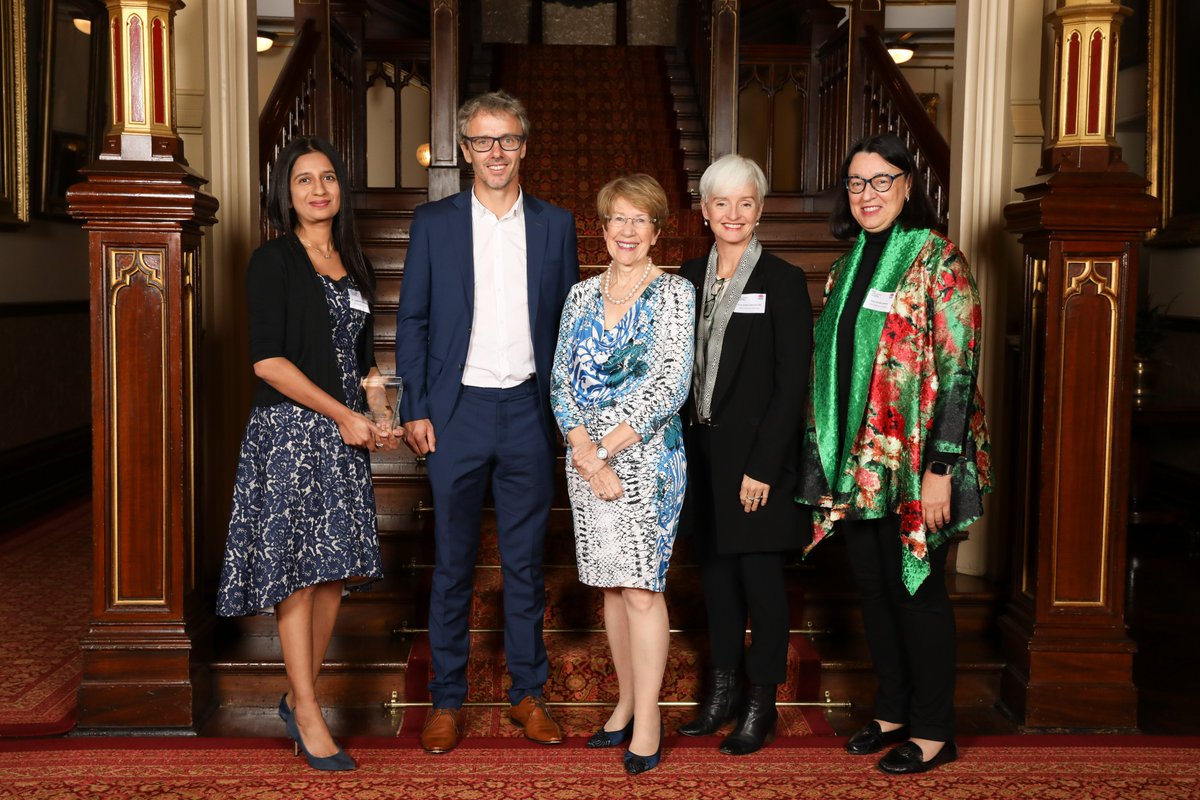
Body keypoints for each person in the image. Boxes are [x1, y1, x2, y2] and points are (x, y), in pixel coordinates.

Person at [796, 133, 991, 774]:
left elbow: (960, 371)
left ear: (908, 186)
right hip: (859, 466)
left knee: (919, 592)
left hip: (915, 466)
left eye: (882, 181)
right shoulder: (847, 262)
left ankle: (935, 729)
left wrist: (940, 470)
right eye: (857, 183)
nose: (868, 194)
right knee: (875, 590)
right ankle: (891, 711)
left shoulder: (938, 258)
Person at [395, 91, 580, 754]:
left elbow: (571, 328)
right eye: (483, 141)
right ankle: (447, 700)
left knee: (526, 566)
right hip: (458, 412)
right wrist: (414, 404)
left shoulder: (557, 225)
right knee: (453, 566)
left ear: (524, 146)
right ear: (466, 150)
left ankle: (527, 694)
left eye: (507, 139)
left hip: (530, 412)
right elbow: (412, 319)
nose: (495, 152)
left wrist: (571, 415)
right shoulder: (434, 223)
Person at [217, 136, 395, 772]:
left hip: (343, 439)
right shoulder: (273, 260)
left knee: (332, 578)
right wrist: (346, 414)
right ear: (284, 194)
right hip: (291, 435)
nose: (318, 190)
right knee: (297, 577)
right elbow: (267, 360)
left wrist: (379, 411)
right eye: (303, 181)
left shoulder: (356, 264)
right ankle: (310, 709)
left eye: (327, 178)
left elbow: (367, 362)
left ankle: (300, 697)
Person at [550, 174, 695, 775]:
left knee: (640, 587)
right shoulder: (581, 295)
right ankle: (625, 703)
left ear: (657, 231)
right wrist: (584, 449)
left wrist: (605, 450)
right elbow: (560, 379)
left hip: (645, 458)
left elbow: (669, 385)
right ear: (603, 229)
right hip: (585, 457)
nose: (628, 230)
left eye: (641, 220)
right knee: (609, 585)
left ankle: (651, 718)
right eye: (618, 219)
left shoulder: (675, 294)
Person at [676, 154, 812, 755]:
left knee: (761, 585)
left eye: (746, 202)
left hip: (757, 460)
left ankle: (762, 702)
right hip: (700, 455)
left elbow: (792, 385)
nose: (734, 214)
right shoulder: (684, 278)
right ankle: (722, 693)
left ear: (760, 210)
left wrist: (763, 467)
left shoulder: (782, 280)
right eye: (721, 203)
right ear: (705, 212)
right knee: (717, 583)